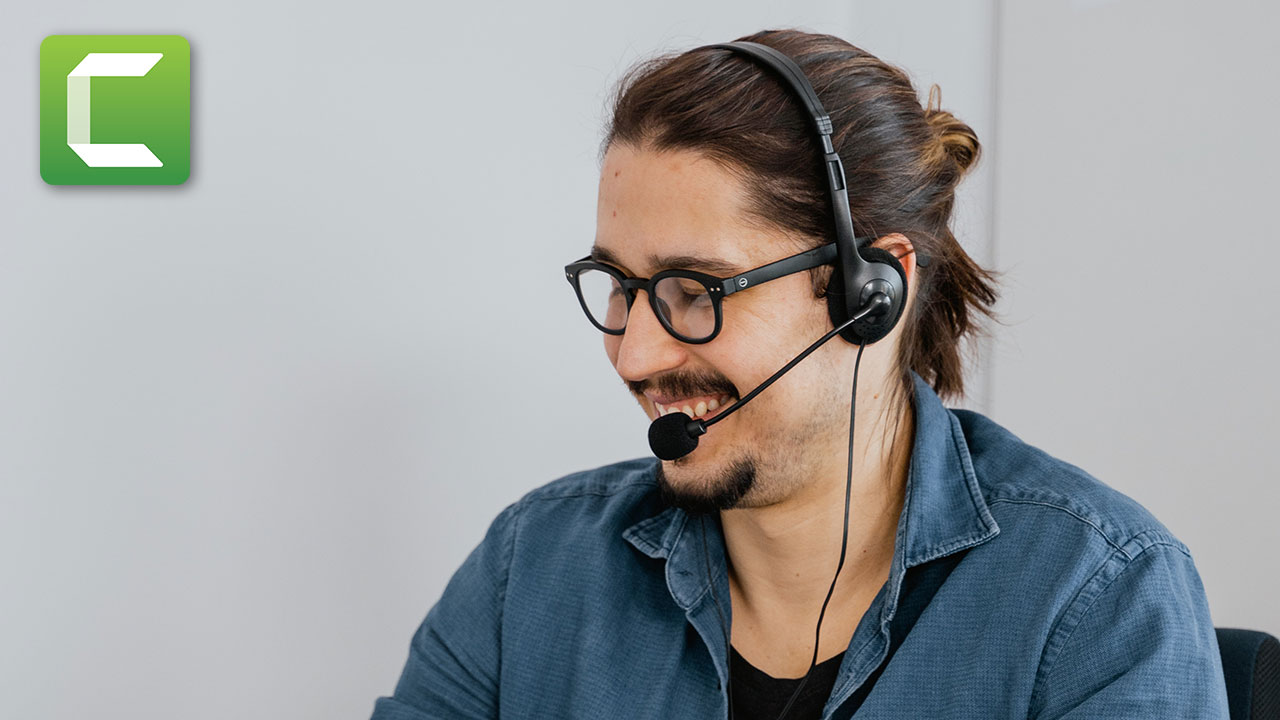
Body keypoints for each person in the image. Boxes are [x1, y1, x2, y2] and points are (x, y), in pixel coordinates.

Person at [370, 29, 1229, 719]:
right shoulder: (536, 568)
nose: (636, 354)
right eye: (623, 289)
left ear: (871, 293)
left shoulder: (1094, 598)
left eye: (694, 291)